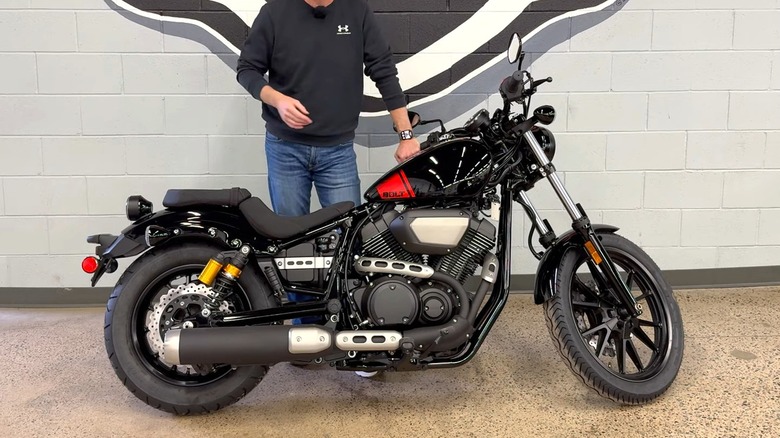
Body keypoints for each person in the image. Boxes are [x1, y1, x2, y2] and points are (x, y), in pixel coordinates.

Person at [236, 0, 420, 327]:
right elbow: (247, 69)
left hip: (337, 150)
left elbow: (383, 70)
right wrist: (276, 99)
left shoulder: (356, 11)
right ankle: (304, 329)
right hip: (285, 149)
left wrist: (406, 134)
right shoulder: (275, 11)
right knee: (293, 246)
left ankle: (356, 328)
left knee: (351, 240)